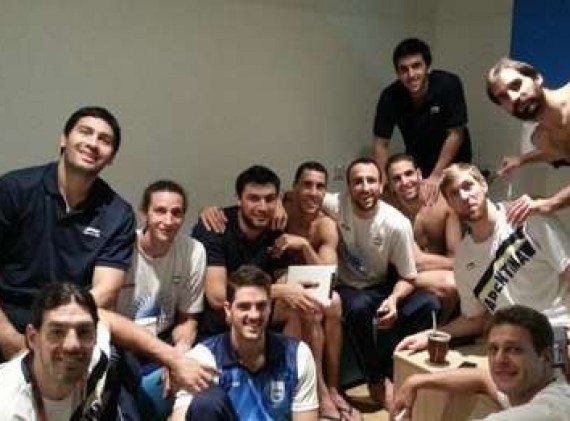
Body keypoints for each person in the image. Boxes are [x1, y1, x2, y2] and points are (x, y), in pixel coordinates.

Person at [0, 106, 136, 361]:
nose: (93, 143)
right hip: (7, 316)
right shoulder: (13, 189)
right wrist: (9, 339)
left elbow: (105, 290)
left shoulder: (118, 214)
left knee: (124, 368)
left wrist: (58, 332)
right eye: (85, 132)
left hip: (71, 319)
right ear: (63, 139)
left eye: (104, 140)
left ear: (111, 157)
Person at [396, 163, 570, 355]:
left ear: (484, 186)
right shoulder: (463, 260)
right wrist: (431, 334)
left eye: (468, 186)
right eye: (454, 194)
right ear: (450, 204)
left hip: (557, 331)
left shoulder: (530, 219)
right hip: (512, 345)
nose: (464, 196)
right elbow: (475, 320)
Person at [322, 157, 440, 409]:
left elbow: (408, 277)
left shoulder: (397, 223)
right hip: (348, 287)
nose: (365, 188)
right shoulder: (336, 203)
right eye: (358, 182)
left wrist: (394, 299)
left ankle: (398, 372)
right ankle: (375, 381)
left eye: (371, 181)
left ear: (381, 184)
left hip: (382, 285)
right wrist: (280, 206)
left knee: (428, 304)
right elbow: (298, 195)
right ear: (348, 186)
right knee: (359, 308)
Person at [171, 265, 319, 421]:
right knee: (206, 403)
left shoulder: (297, 355)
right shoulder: (203, 359)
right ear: (228, 310)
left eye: (261, 306)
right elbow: (180, 417)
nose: (254, 315)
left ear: (270, 308)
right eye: (244, 307)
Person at [392, 305, 570, 420]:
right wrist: (415, 381)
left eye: (514, 349)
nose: (499, 359)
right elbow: (481, 378)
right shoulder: (542, 386)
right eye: (494, 349)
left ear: (546, 357)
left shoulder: (547, 412)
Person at [192, 165, 305, 338]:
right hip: (221, 319)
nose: (262, 207)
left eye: (269, 199)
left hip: (261, 311)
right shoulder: (216, 226)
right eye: (254, 198)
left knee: (299, 308)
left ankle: (290, 356)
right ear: (239, 199)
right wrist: (279, 290)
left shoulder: (275, 228)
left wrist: (288, 288)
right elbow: (217, 298)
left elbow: (283, 276)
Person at [373, 38, 472, 205]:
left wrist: (437, 175)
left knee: (453, 205)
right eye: (404, 69)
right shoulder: (390, 96)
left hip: (454, 160)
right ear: (397, 73)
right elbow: (380, 143)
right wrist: (385, 182)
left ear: (428, 67)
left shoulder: (448, 84)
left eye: (416, 66)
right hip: (417, 161)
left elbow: (456, 134)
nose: (411, 75)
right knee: (416, 206)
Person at [117, 180, 205, 350]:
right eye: (160, 211)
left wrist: (181, 349)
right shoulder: (121, 247)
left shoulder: (194, 251)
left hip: (164, 338)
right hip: (121, 340)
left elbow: (187, 319)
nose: (168, 221)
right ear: (144, 214)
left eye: (176, 213)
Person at [487, 57, 570, 224]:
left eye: (516, 85)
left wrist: (549, 204)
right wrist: (521, 160)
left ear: (536, 78)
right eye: (503, 97)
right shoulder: (542, 138)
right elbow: (557, 152)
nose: (513, 98)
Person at [385, 153, 460, 321]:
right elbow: (416, 262)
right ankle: (437, 331)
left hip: (434, 273)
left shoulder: (444, 204)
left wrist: (459, 263)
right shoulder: (388, 211)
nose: (405, 182)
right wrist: (460, 263)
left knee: (456, 282)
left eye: (409, 174)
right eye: (397, 178)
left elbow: (455, 255)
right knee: (451, 283)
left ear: (419, 174)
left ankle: (440, 330)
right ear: (390, 185)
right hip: (402, 275)